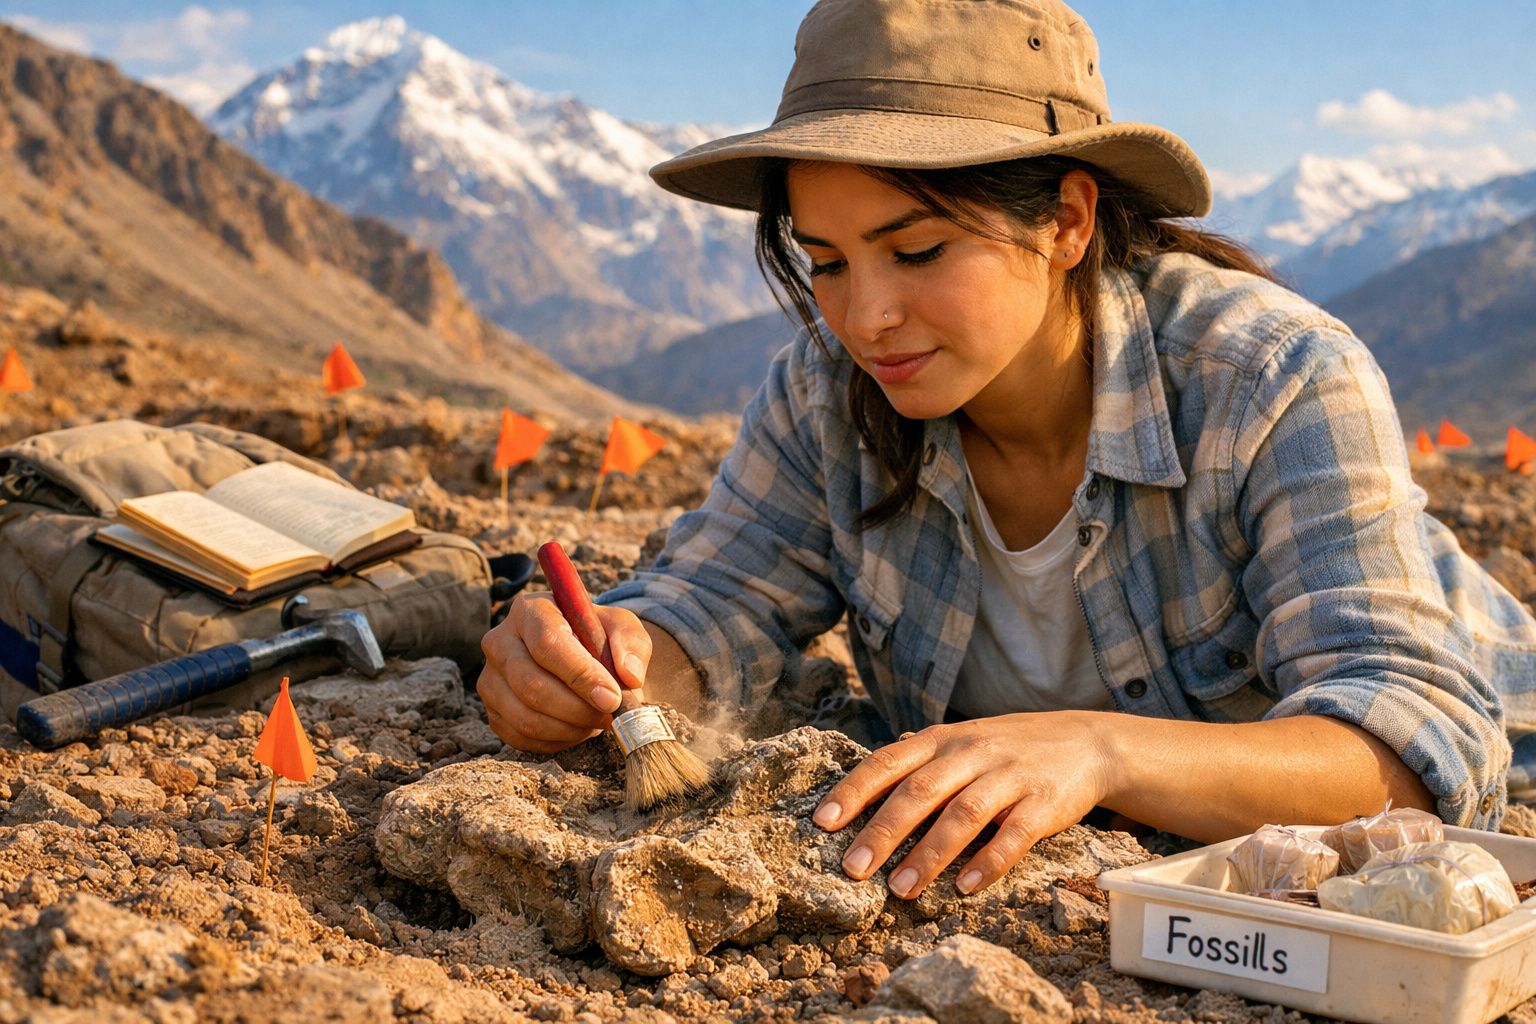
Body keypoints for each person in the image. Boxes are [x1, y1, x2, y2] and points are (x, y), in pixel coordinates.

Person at [478, 0, 1536, 900]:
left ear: (1067, 220)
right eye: (828, 262)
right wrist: (608, 663)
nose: (865, 318)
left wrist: (1097, 748)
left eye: (917, 250)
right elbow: (715, 601)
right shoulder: (825, 394)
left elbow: (1410, 757)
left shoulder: (1274, 379)